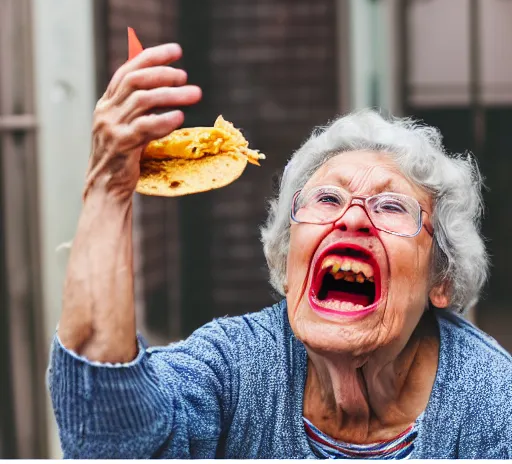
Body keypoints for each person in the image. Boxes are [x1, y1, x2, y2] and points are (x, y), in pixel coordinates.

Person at [48, 42, 512, 459]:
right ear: (289, 264)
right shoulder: (235, 367)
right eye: (327, 199)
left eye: (391, 206)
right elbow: (107, 441)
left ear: (441, 278)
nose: (351, 218)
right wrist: (109, 187)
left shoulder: (492, 405)